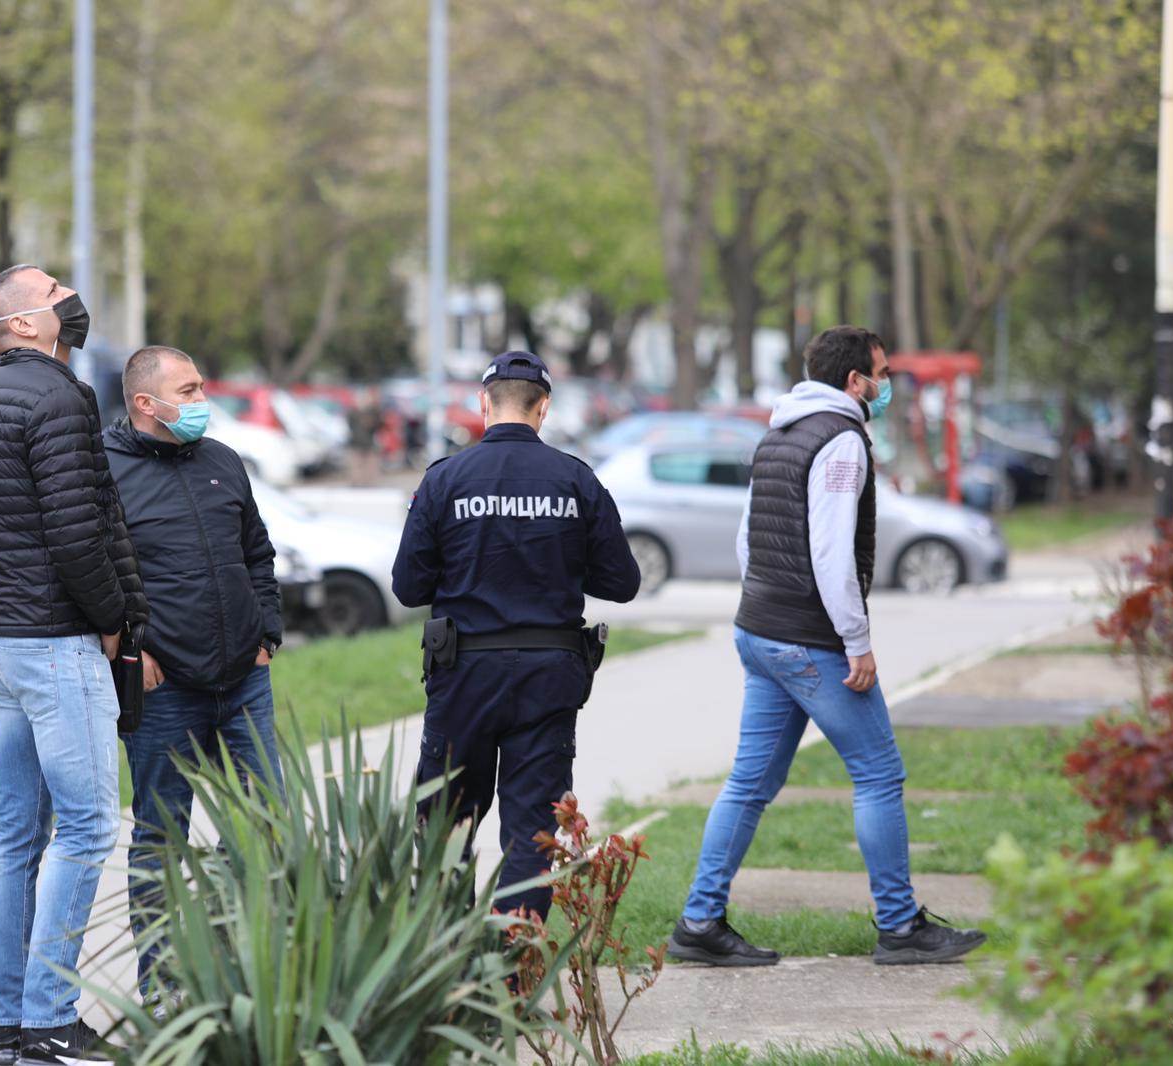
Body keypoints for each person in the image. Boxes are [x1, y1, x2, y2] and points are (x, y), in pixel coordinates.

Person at [668, 325, 987, 968]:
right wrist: (856, 642)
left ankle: (699, 922)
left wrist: (767, 606)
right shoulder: (841, 441)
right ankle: (900, 928)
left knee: (749, 784)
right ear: (854, 382)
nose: (886, 383)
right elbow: (832, 553)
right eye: (882, 372)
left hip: (760, 630)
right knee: (878, 773)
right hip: (809, 642)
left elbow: (746, 541)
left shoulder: (778, 432)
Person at [0, 265, 148, 1066]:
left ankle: (15, 1025)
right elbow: (79, 531)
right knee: (90, 825)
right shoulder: (60, 396)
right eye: (56, 287)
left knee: (16, 837)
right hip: (56, 639)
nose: (71, 294)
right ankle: (50, 1021)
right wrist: (112, 622)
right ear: (25, 324)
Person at [391, 350, 641, 919]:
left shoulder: (445, 480)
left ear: (484, 404)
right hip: (549, 679)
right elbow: (622, 583)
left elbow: (408, 587)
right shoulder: (575, 479)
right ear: (543, 407)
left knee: (446, 826)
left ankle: (445, 969)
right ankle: (517, 977)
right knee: (534, 833)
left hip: (464, 678)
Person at [102, 345, 286, 1006]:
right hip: (164, 689)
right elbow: (93, 574)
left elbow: (256, 552)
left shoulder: (222, 461)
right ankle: (164, 991)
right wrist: (130, 648)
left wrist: (266, 633)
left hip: (244, 679)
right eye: (191, 387)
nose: (204, 397)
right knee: (161, 839)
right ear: (148, 403)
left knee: (273, 824)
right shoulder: (105, 470)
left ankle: (273, 976)